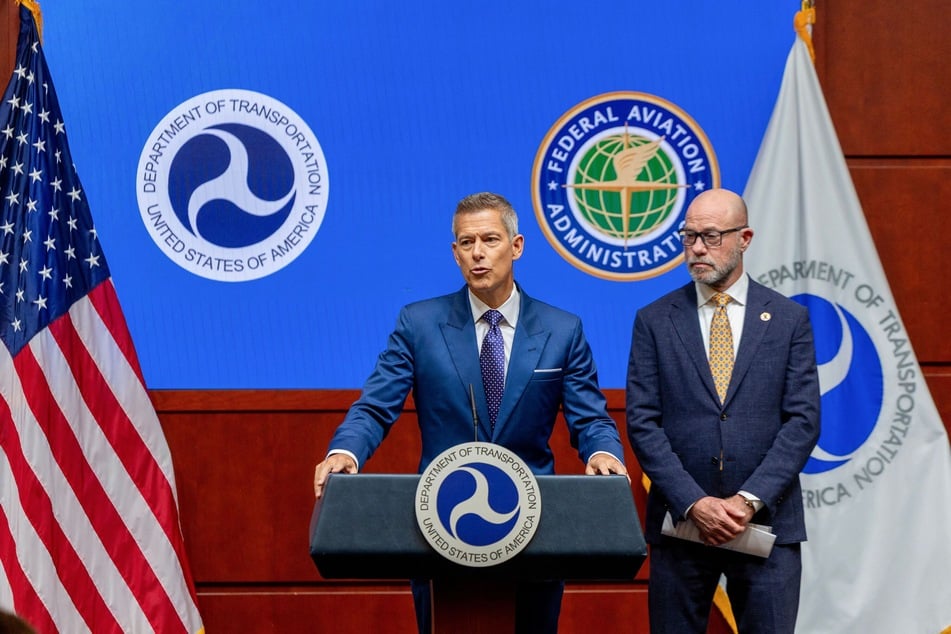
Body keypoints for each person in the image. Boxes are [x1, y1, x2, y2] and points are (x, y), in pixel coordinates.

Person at [313, 191, 628, 634]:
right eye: (466, 242)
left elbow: (590, 419)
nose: (478, 253)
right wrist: (345, 451)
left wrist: (604, 454)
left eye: (490, 240)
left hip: (534, 528)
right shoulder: (419, 324)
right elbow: (376, 403)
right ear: (454, 253)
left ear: (516, 247)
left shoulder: (562, 330)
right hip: (441, 523)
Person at [625, 188, 820, 633]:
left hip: (767, 525)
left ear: (744, 237)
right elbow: (643, 421)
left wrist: (746, 502)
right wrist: (695, 502)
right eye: (688, 236)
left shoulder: (789, 320)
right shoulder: (654, 320)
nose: (696, 248)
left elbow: (803, 421)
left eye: (711, 236)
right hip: (682, 527)